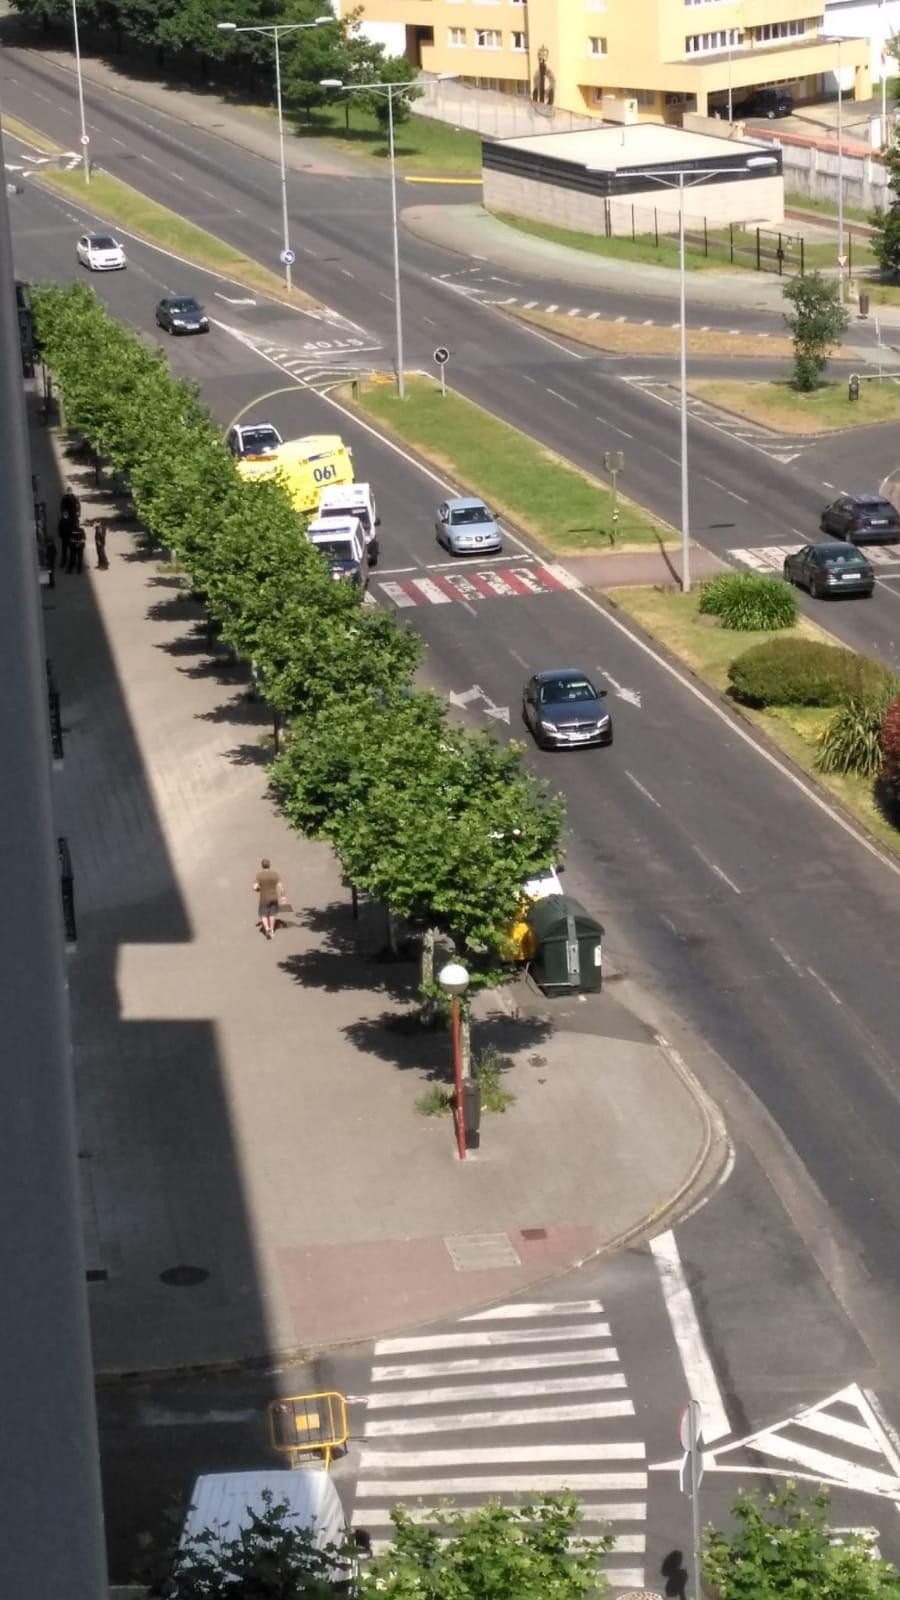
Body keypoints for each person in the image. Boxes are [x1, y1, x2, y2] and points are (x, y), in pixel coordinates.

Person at [253, 858, 284, 940]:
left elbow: (254, 887)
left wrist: (259, 890)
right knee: (272, 914)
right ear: (269, 865)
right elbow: (280, 886)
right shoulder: (275, 874)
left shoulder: (259, 875)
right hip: (274, 897)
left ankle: (267, 928)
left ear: (262, 866)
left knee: (263, 914)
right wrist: (283, 896)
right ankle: (272, 931)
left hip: (264, 898)